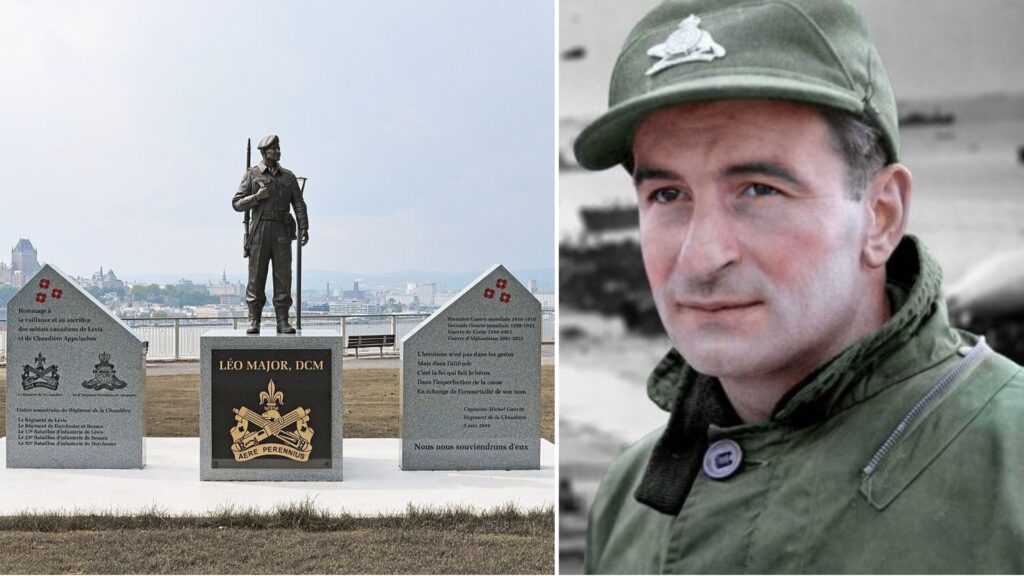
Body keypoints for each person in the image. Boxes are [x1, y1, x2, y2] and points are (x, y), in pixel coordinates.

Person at [572, 0, 1024, 572]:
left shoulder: (1013, 470)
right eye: (667, 195)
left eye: (759, 190)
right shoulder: (630, 499)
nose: (702, 257)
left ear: (881, 215)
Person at [232, 134, 309, 334]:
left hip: (282, 230)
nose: (277, 152)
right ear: (264, 152)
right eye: (273, 149)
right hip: (260, 230)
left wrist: (304, 226)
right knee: (256, 275)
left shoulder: (288, 177)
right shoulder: (252, 175)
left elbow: (298, 204)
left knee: (283, 276)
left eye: (278, 148)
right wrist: (256, 197)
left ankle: (283, 320)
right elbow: (237, 203)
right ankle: (253, 319)